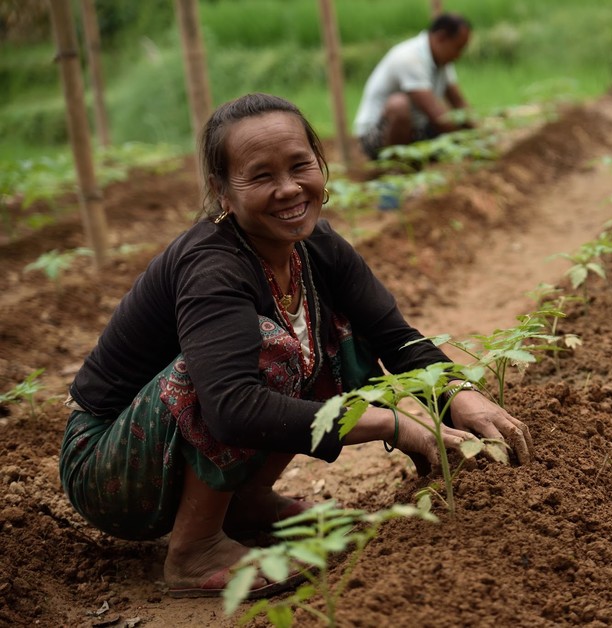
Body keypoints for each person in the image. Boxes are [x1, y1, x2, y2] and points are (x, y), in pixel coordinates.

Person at [58, 92, 532, 600]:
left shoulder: (318, 248)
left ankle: (245, 503)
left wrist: (460, 395)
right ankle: (194, 549)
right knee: (268, 348)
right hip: (112, 465)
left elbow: (393, 336)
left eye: (300, 165)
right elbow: (232, 410)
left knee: (341, 342)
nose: (288, 189)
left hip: (165, 447)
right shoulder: (211, 267)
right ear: (223, 191)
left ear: (319, 165)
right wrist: (396, 424)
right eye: (261, 176)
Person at [354, 12, 474, 161]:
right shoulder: (410, 58)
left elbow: (458, 102)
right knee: (399, 105)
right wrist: (467, 142)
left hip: (415, 130)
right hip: (375, 136)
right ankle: (395, 167)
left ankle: (413, 161)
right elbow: (436, 116)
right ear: (441, 38)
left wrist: (478, 134)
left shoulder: (442, 61)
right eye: (458, 48)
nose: (458, 56)